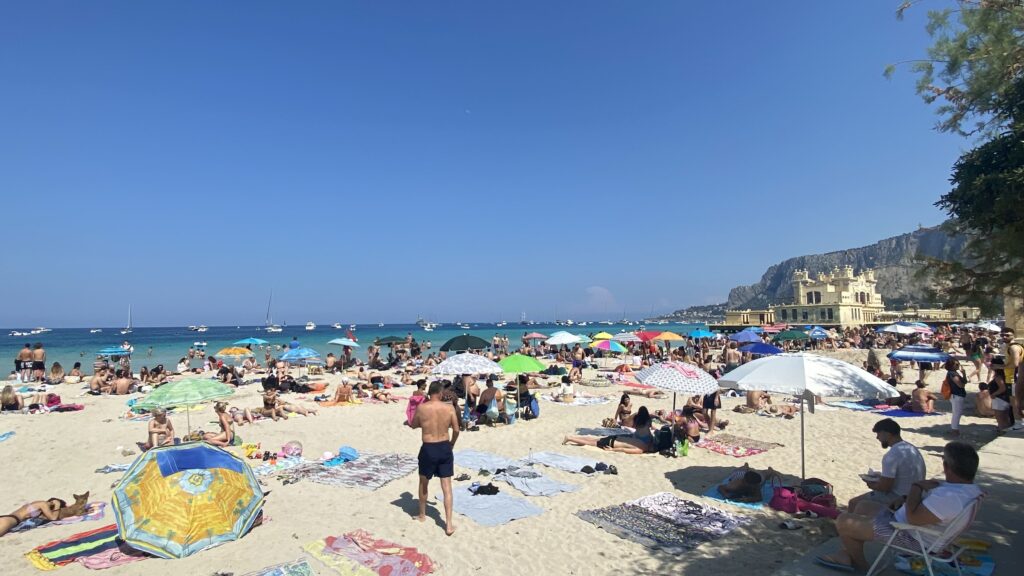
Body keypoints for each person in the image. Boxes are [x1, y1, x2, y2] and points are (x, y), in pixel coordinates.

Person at [818, 441, 982, 572]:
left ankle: (861, 567)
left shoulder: (950, 498)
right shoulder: (964, 490)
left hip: (911, 537)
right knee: (862, 506)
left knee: (844, 521)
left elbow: (913, 518)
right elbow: (924, 511)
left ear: (947, 467)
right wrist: (905, 499)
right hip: (911, 527)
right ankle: (847, 554)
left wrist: (916, 487)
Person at [411, 381, 459, 536]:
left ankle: (422, 515)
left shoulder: (422, 408)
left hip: (428, 447)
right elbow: (457, 430)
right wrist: (451, 443)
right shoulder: (449, 408)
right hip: (444, 446)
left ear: (430, 392)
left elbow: (414, 424)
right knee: (447, 487)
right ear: (439, 393)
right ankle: (449, 524)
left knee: (424, 482)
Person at [847, 418, 926, 512]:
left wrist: (871, 484)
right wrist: (881, 477)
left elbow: (885, 487)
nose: (877, 438)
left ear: (887, 434)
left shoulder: (892, 455)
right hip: (916, 494)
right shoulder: (912, 449)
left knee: (853, 503)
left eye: (878, 434)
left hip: (899, 497)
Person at [563, 406, 655, 454]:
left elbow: (629, 445)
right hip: (613, 442)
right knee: (592, 442)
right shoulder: (643, 446)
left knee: (593, 440)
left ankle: (572, 437)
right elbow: (625, 450)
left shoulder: (644, 429)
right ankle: (570, 438)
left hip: (618, 438)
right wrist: (612, 450)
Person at [0, 498, 67, 538]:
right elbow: (53, 518)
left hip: (6, 517)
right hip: (10, 520)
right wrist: (57, 505)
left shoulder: (36, 503)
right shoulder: (43, 504)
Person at [945, 358, 968, 438]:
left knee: (957, 413)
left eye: (958, 364)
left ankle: (954, 429)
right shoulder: (952, 374)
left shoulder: (954, 373)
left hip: (957, 395)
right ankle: (955, 430)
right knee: (957, 413)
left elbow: (964, 382)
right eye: (956, 364)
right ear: (951, 365)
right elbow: (960, 385)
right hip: (956, 395)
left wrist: (964, 374)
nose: (958, 365)